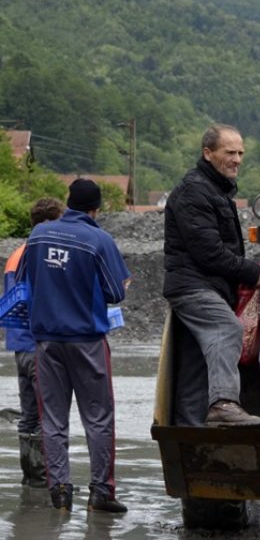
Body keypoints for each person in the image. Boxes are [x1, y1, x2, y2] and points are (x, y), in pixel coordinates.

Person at [16, 179, 130, 512]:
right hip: (87, 340)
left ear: (68, 201)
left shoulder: (38, 235)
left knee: (52, 418)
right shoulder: (99, 239)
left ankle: (61, 493)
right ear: (96, 208)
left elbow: (26, 279)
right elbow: (115, 292)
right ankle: (100, 493)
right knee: (98, 418)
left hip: (47, 341)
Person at [163, 124, 260, 428]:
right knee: (227, 329)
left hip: (207, 286)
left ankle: (188, 435)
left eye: (240, 153)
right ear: (208, 153)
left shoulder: (214, 190)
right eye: (229, 152)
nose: (237, 159)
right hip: (193, 287)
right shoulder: (195, 191)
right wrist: (255, 273)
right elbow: (209, 252)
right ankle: (223, 403)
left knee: (195, 367)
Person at [3, 197, 65, 488]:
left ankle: (31, 478)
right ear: (51, 222)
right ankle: (45, 479)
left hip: (19, 345)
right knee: (46, 416)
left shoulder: (17, 254)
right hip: (40, 344)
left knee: (29, 416)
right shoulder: (42, 253)